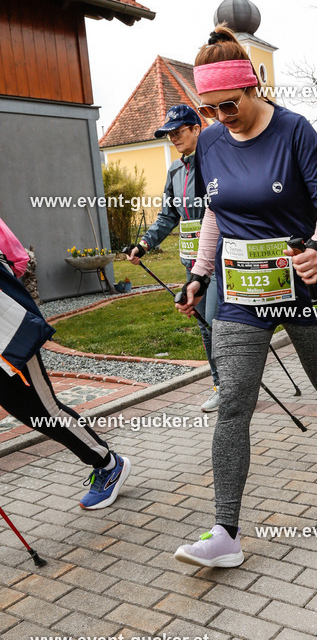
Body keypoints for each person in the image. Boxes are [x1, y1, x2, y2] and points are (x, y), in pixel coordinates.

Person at [172, 25, 317, 568]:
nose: (221, 117)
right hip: (243, 290)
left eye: (229, 104)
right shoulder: (210, 142)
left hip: (303, 279)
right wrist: (199, 274)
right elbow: (216, 212)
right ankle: (225, 531)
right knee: (235, 399)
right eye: (210, 109)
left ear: (254, 85)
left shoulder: (294, 132)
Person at [0, 219, 130, 509]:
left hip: (7, 333)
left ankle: (108, 465)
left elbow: (17, 260)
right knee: (25, 411)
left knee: (43, 410)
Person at [125, 105, 220, 412]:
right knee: (206, 325)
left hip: (220, 260)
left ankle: (233, 384)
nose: (173, 138)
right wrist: (143, 245)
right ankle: (223, 384)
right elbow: (167, 216)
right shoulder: (175, 171)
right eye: (169, 134)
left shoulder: (217, 160)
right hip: (191, 261)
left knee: (218, 323)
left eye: (178, 132)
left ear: (197, 128)